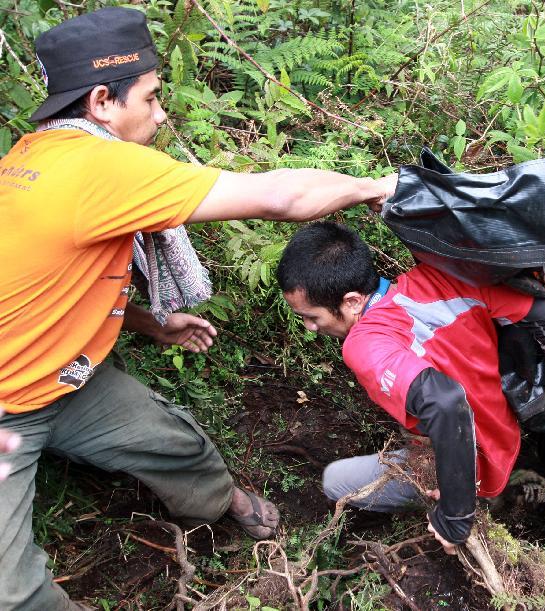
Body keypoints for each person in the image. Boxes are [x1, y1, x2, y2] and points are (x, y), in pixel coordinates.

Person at [0, 8, 396, 610]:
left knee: (175, 445)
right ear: (103, 101)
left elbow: (52, 284)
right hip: (8, 406)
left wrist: (149, 323)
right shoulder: (100, 167)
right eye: (153, 97)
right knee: (14, 593)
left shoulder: (33, 156)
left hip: (65, 377)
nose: (161, 115)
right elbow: (280, 197)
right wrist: (378, 188)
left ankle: (225, 503)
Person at [276, 222, 545, 554]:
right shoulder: (443, 276)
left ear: (352, 301)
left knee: (334, 480)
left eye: (311, 317)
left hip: (476, 466)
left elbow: (445, 402)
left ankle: (474, 507)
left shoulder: (364, 345)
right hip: (505, 430)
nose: (310, 328)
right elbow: (542, 309)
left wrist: (456, 514)